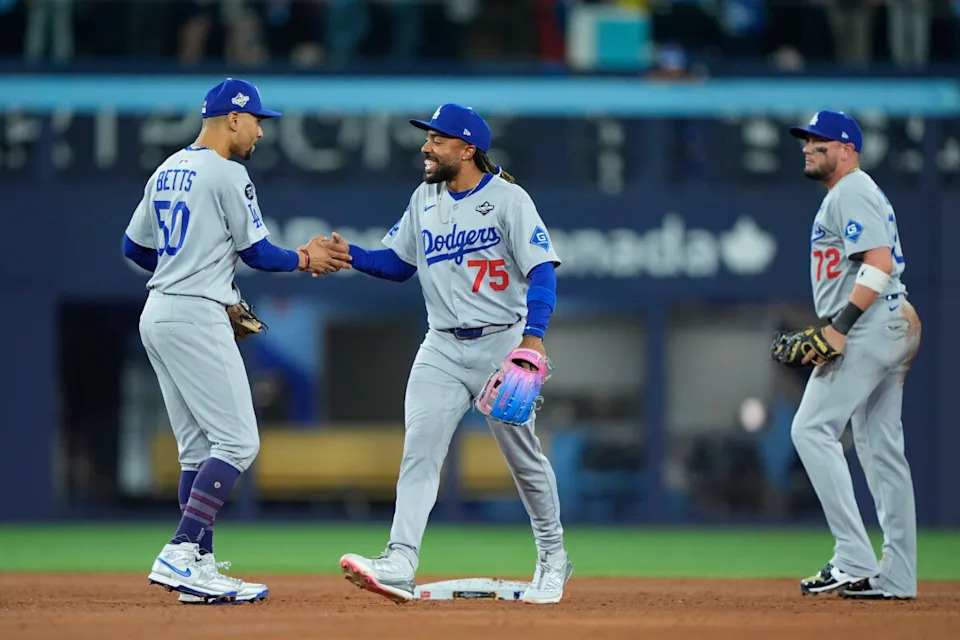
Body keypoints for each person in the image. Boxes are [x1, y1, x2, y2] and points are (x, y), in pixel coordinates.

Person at [123, 77, 351, 604]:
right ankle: (182, 551)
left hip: (159, 311)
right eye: (256, 121)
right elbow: (259, 253)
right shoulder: (228, 172)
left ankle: (197, 572)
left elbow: (133, 246)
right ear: (233, 118)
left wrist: (184, 270)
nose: (260, 133)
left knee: (197, 451)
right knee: (239, 443)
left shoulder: (166, 168)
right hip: (195, 314)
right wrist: (304, 258)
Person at [331, 104, 571, 605]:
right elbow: (398, 265)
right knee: (419, 451)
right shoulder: (424, 198)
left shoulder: (508, 199)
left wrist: (535, 335)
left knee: (523, 459)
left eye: (438, 140)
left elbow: (543, 270)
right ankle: (399, 560)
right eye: (428, 138)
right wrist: (349, 254)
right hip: (440, 344)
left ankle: (553, 557)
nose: (426, 147)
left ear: (467, 150)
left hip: (502, 343)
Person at [786, 110, 921, 600]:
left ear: (847, 150)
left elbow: (879, 263)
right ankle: (898, 575)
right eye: (806, 140)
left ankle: (853, 557)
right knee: (881, 450)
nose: (808, 147)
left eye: (819, 141)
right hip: (884, 320)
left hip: (869, 323)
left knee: (810, 429)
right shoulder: (847, 194)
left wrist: (838, 330)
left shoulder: (852, 189)